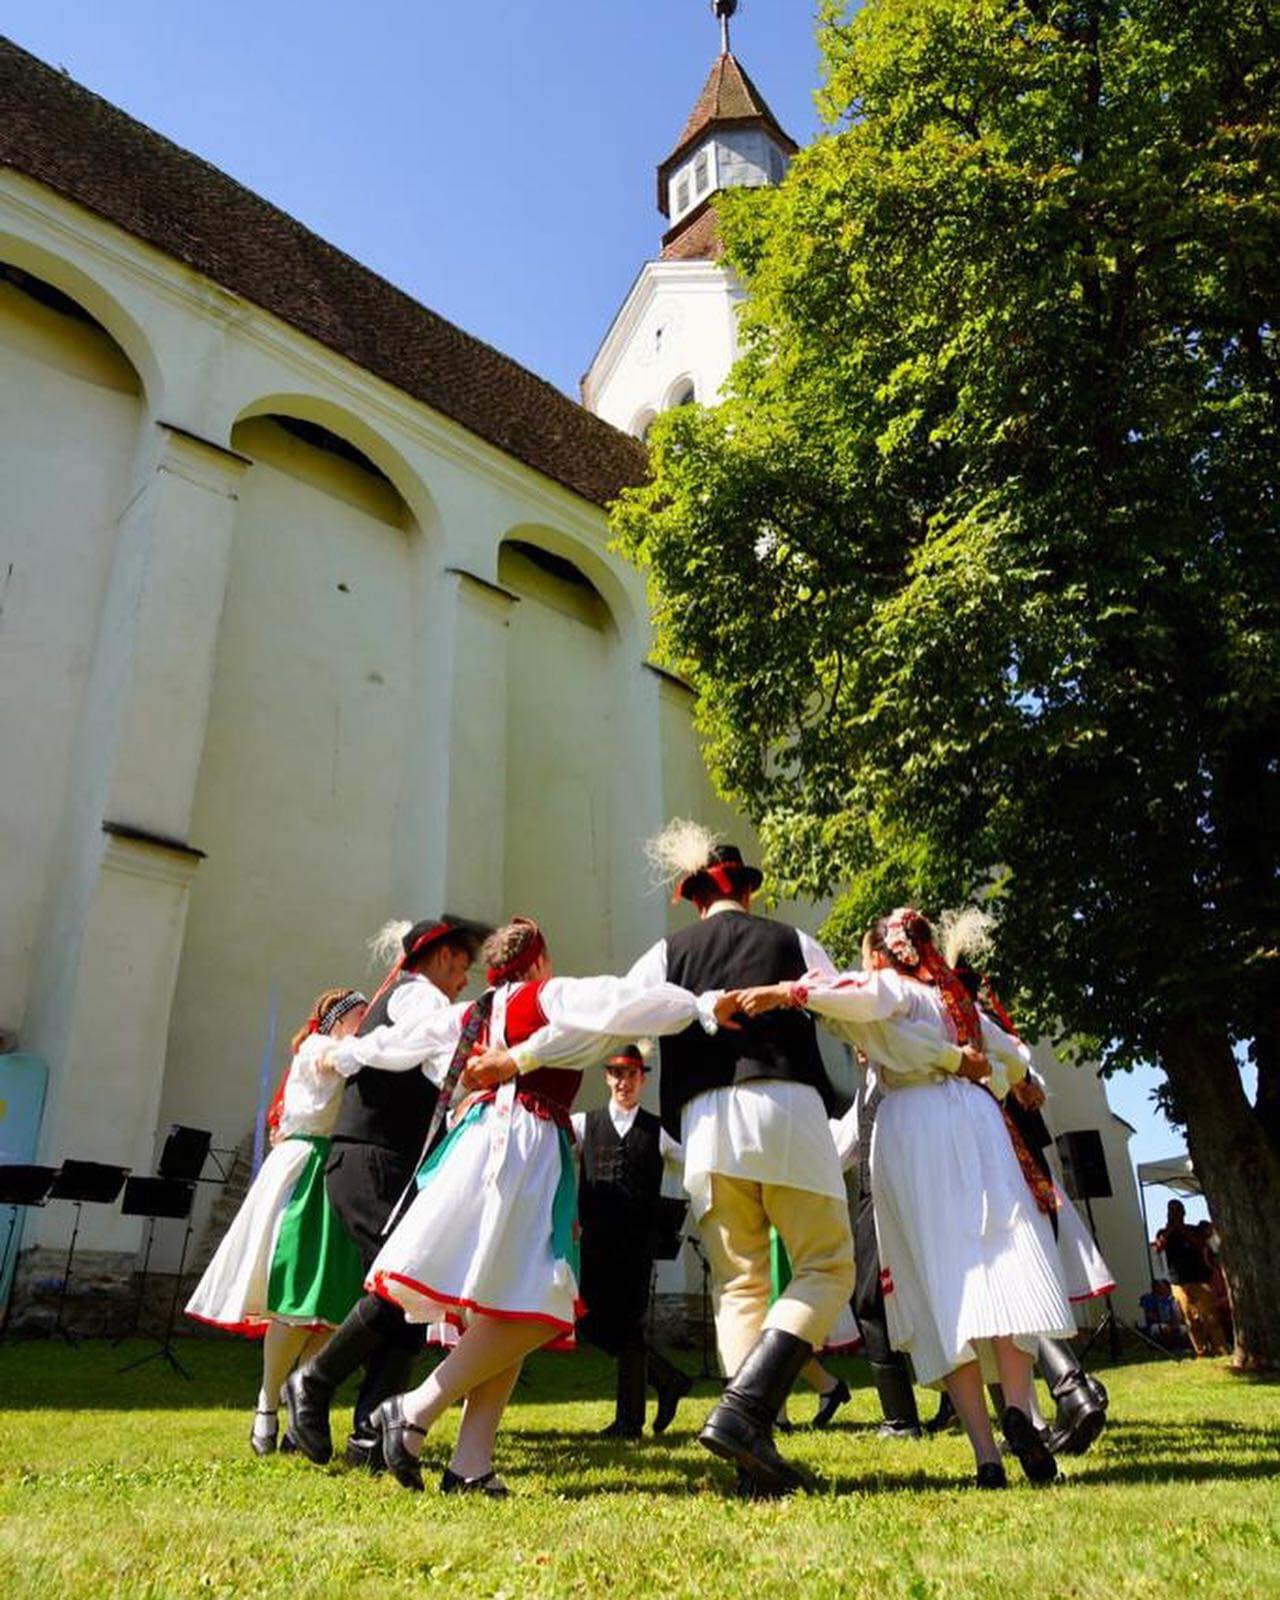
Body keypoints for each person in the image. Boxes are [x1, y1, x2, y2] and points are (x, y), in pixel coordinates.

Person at [617, 823, 967, 1496]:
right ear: (746, 893)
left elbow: (631, 1015)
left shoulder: (667, 951)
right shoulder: (789, 939)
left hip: (704, 1122)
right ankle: (747, 1414)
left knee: (740, 1283)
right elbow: (847, 1006)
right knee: (827, 1265)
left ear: (694, 899)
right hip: (785, 1111)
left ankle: (754, 1439)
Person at [358, 917, 709, 1495]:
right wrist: (700, 1002)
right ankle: (414, 1410)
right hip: (519, 1145)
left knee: (506, 1302)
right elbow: (655, 1005)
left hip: (481, 1142)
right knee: (536, 1304)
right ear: (540, 960)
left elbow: (399, 1042)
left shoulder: (473, 1011)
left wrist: (338, 1053)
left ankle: (471, 1462)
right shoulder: (553, 995)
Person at [732, 907, 1079, 1489]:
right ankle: (1018, 1409)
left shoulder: (891, 990)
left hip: (912, 1125)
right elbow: (1014, 1057)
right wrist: (1016, 1081)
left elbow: (844, 992)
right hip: (977, 1121)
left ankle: (986, 1459)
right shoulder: (955, 999)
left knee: (940, 1283)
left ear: (891, 954)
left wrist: (782, 992)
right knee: (1005, 1268)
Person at [282, 916, 482, 1469]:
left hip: (385, 1165)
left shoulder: (408, 999)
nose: (465, 980)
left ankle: (370, 1436)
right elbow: (442, 1057)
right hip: (372, 1162)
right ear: (440, 958)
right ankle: (313, 1384)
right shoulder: (418, 1001)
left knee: (411, 1296)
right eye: (463, 967)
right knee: (403, 1285)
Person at [185, 987, 368, 1454]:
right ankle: (267, 1404)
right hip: (306, 1169)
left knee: (327, 1310)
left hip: (336, 1172)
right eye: (361, 1016)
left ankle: (301, 1411)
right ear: (338, 1020)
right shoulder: (320, 1047)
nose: (367, 1022)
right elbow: (339, 1061)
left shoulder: (349, 1049)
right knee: (294, 1296)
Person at [571, 1043, 692, 1440]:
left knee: (629, 1326)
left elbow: (693, 1167)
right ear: (607, 1077)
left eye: (632, 1075)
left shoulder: (658, 1132)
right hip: (595, 1242)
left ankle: (630, 1421)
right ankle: (668, 1377)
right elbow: (549, 1151)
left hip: (637, 1246)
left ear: (642, 1080)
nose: (624, 1082)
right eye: (618, 1075)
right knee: (589, 1322)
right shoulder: (584, 1124)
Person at [1160, 1201, 1228, 1356]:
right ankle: (1201, 1351)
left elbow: (1199, 1243)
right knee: (1190, 1319)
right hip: (1178, 1282)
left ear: (1184, 1212)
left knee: (1210, 1316)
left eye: (1177, 1211)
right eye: (1171, 1211)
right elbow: (1159, 1246)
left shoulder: (1194, 1229)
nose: (1175, 1214)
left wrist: (1181, 1227)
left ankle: (1221, 1349)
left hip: (1199, 1279)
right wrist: (1171, 1229)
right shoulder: (1164, 1232)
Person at [1139, 1278, 1188, 1351]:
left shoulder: (1171, 1299)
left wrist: (1174, 1323)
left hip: (1172, 1323)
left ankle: (1182, 1346)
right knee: (1164, 1328)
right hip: (1156, 1324)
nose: (1163, 1289)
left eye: (1163, 1287)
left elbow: (1176, 1314)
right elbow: (1149, 1314)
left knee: (1184, 1329)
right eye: (1159, 1287)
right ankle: (1166, 1347)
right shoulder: (1149, 1299)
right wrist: (1162, 1321)